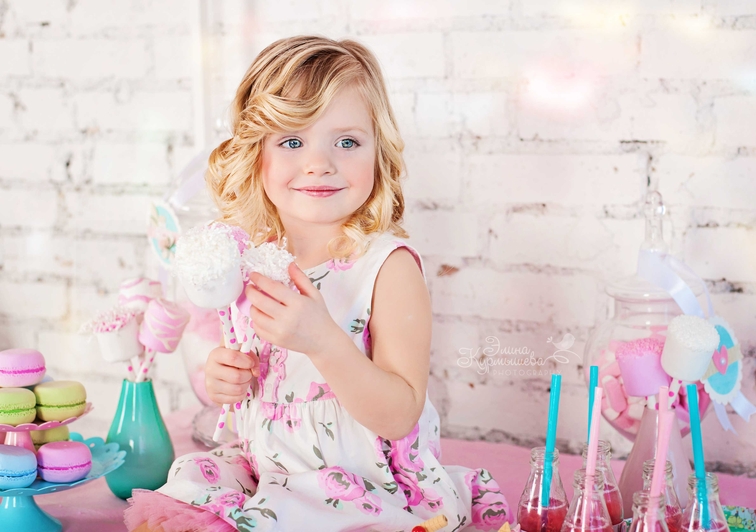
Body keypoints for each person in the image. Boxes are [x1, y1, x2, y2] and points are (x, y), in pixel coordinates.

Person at [125, 35, 511, 532]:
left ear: (378, 151)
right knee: (185, 486)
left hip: (360, 482)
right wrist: (226, 377)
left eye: (347, 142)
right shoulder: (254, 261)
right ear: (256, 154)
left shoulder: (387, 267)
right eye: (292, 141)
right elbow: (263, 380)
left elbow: (399, 415)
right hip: (269, 468)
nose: (319, 163)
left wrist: (325, 341)